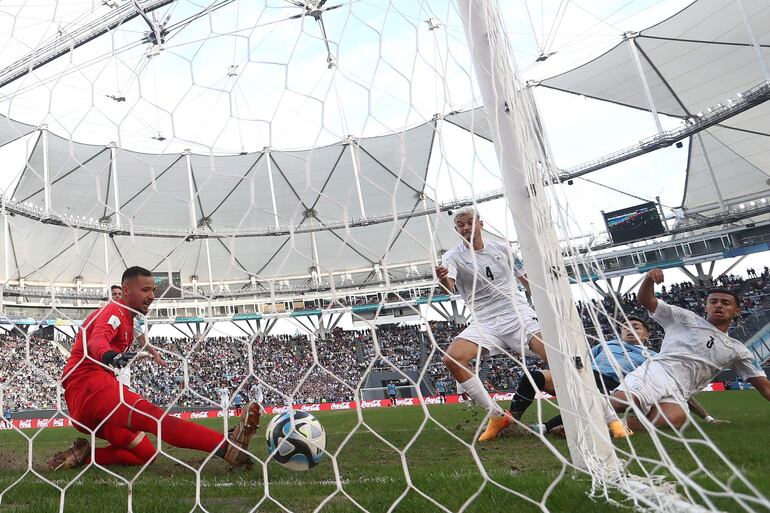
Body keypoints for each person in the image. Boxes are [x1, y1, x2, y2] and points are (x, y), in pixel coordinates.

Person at [47, 266, 261, 471]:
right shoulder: (114, 310)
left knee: (146, 454)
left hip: (86, 407)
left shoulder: (128, 320)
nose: (151, 295)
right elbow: (97, 340)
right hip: (89, 387)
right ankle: (226, 447)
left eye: (153, 290)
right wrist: (110, 356)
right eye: (145, 290)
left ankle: (80, 457)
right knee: (155, 418)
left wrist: (147, 352)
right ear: (126, 290)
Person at [436, 207, 556, 442]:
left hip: (516, 314)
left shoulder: (502, 248)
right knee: (452, 358)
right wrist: (442, 278)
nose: (466, 227)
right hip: (485, 321)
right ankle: (496, 415)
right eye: (460, 224)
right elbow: (447, 288)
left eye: (470, 222)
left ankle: (600, 413)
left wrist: (549, 305)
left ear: (481, 223)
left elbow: (526, 279)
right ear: (456, 229)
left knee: (555, 356)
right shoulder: (451, 257)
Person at [610, 269, 770, 432]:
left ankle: (610, 426)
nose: (719, 305)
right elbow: (646, 300)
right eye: (713, 302)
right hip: (657, 373)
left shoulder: (738, 349)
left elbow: (765, 387)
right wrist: (649, 279)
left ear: (737, 311)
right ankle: (592, 413)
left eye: (725, 303)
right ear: (706, 306)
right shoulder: (685, 318)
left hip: (681, 392)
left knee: (669, 421)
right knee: (622, 403)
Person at [542, 316, 720, 436]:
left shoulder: (655, 357)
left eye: (635, 327)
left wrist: (707, 417)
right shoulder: (606, 345)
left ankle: (553, 427)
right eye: (625, 327)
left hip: (619, 387)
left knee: (670, 417)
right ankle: (553, 426)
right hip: (591, 378)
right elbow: (583, 360)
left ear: (646, 335)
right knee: (540, 377)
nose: (628, 329)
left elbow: (677, 388)